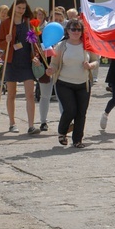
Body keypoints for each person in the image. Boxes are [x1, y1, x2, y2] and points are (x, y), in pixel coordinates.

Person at [45, 20, 99, 148]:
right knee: (70, 110)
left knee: (81, 112)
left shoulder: (87, 45)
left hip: (83, 84)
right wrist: (50, 70)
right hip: (64, 83)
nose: (76, 32)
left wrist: (90, 65)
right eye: (73, 29)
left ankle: (77, 140)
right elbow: (54, 63)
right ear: (67, 31)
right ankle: (62, 132)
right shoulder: (61, 46)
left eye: (78, 29)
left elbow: (96, 61)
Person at [0, 0, 40, 134]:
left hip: (27, 62)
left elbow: (36, 42)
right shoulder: (6, 23)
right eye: (19, 8)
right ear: (14, 7)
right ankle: (12, 123)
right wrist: (7, 41)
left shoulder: (30, 22)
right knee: (11, 94)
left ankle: (31, 125)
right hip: (11, 62)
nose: (21, 11)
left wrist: (36, 56)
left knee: (30, 94)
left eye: (23, 8)